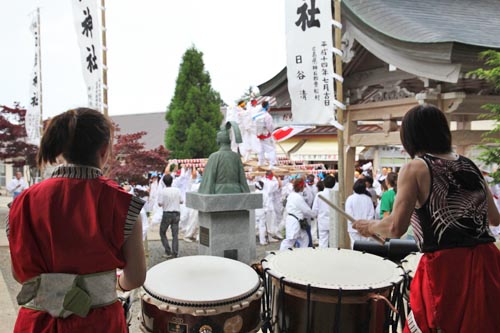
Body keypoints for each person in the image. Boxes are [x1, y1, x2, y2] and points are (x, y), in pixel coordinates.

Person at [353, 104, 500, 333]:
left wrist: (369, 226)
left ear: (410, 137)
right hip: (489, 262)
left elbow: (395, 227)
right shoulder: (470, 165)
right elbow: (494, 218)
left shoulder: (415, 168)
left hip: (448, 269)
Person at [7, 108, 146, 333]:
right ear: (104, 149)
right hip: (99, 324)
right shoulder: (125, 204)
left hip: (36, 323)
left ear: (61, 149)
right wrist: (114, 285)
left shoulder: (20, 204)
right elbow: (136, 277)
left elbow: (19, 273)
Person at [280, 178, 314, 250]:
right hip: (294, 221)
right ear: (301, 187)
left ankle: (302, 254)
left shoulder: (292, 195)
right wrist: (314, 214)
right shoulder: (297, 197)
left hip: (296, 220)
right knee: (290, 240)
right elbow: (306, 210)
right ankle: (280, 254)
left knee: (305, 239)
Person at [157, 174, 182, 258]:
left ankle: (168, 251)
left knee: (162, 232)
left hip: (167, 213)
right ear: (172, 181)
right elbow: (181, 201)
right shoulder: (177, 190)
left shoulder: (162, 191)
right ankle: (175, 253)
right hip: (176, 213)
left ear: (164, 182)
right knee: (175, 234)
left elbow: (160, 204)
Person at [345, 178, 375, 248]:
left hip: (353, 227)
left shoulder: (350, 198)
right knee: (365, 247)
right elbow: (371, 214)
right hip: (366, 227)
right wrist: (365, 223)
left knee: (354, 246)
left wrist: (355, 223)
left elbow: (349, 214)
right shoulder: (368, 199)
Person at [311, 175, 336, 247]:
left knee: (322, 241)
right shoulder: (336, 194)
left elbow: (315, 209)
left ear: (324, 184)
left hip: (322, 221)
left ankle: (322, 257)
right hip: (334, 221)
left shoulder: (319, 194)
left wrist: (313, 216)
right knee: (334, 243)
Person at [254, 101, 277, 168]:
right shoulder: (268, 116)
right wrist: (272, 130)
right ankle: (271, 164)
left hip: (260, 134)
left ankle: (260, 162)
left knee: (261, 149)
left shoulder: (259, 115)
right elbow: (269, 126)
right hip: (266, 134)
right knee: (271, 149)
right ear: (268, 107)